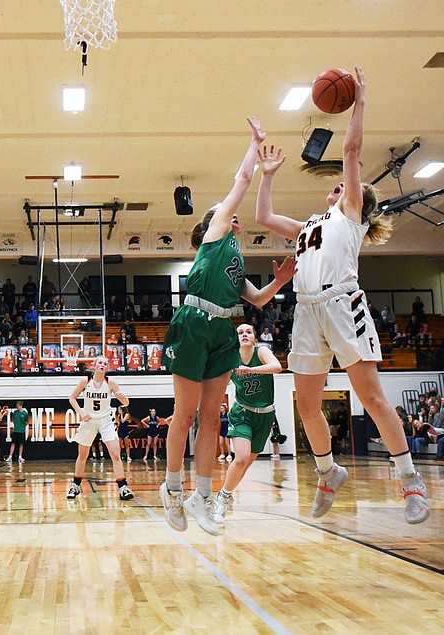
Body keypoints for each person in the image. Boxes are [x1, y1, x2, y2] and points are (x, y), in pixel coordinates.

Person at [256, 69, 429, 524]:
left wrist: (361, 103)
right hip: (306, 311)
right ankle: (329, 471)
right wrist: (267, 174)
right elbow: (264, 215)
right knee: (306, 404)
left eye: (341, 186)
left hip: (342, 304)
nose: (334, 188)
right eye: (335, 186)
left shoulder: (350, 215)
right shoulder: (309, 227)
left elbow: (350, 151)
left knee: (370, 396)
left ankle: (410, 479)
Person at [159, 117, 297, 536]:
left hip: (222, 329)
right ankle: (171, 488)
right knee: (183, 416)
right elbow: (240, 179)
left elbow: (255, 299)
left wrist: (279, 282)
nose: (234, 215)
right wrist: (255, 148)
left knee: (211, 419)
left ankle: (202, 496)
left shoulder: (236, 260)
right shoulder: (215, 234)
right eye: (228, 212)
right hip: (193, 323)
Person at [211, 324, 283, 524]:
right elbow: (218, 383)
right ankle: (223, 498)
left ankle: (226, 492)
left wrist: (251, 369)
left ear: (254, 337)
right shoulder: (231, 359)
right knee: (241, 459)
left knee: (244, 465)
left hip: (265, 415)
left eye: (248, 332)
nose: (244, 335)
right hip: (242, 413)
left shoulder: (262, 352)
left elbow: (277, 367)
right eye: (240, 332)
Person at [67, 356, 134, 501]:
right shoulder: (85, 381)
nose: (102, 365)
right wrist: (81, 412)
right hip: (89, 420)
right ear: (94, 365)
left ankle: (123, 487)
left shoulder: (111, 383)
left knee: (116, 454)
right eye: (100, 363)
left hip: (105, 420)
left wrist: (124, 399)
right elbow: (72, 399)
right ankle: (75, 485)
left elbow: (126, 402)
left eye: (105, 363)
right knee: (83, 455)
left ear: (107, 368)